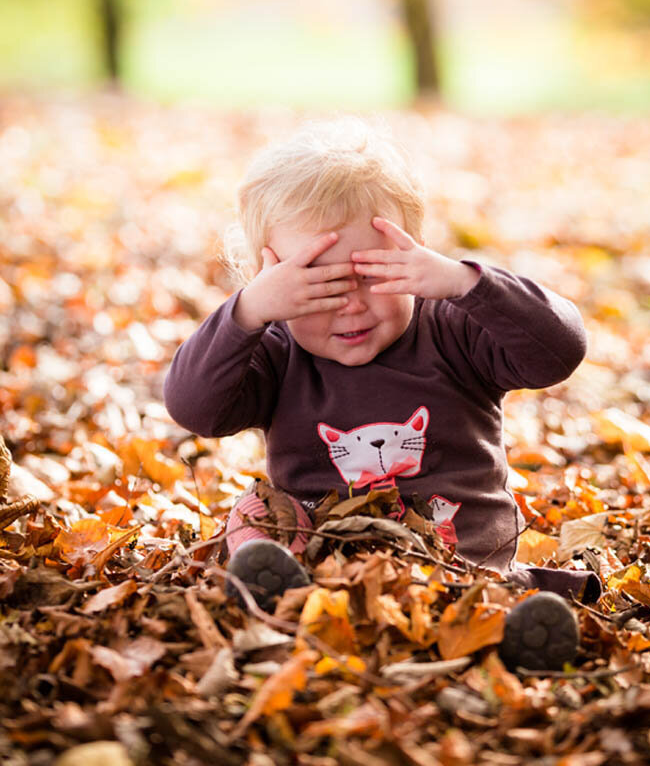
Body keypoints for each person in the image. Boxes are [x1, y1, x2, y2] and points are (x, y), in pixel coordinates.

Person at [164, 119, 595, 671]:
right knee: (255, 515)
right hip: (325, 569)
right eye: (318, 285)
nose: (349, 305)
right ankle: (279, 598)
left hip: (458, 563)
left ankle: (510, 638)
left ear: (415, 259)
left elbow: (559, 351)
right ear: (270, 283)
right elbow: (194, 408)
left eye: (371, 276)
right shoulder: (274, 349)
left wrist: (468, 284)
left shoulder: (454, 329)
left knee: (491, 597)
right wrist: (246, 312)